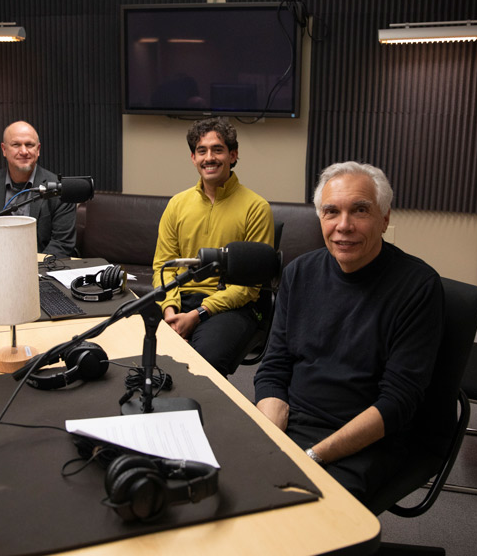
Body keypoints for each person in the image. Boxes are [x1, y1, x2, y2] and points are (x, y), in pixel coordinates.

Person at [254, 161, 444, 508]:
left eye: (360, 211)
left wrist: (310, 456)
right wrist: (272, 438)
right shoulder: (299, 273)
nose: (344, 226)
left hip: (366, 441)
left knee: (292, 524)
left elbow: (396, 403)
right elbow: (273, 369)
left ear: (384, 218)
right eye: (332, 212)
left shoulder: (418, 287)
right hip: (290, 425)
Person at [152, 117, 275, 377]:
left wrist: (197, 314)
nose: (210, 157)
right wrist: (171, 311)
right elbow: (164, 266)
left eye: (217, 149)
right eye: (202, 151)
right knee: (138, 355)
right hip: (180, 301)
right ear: (193, 158)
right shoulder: (177, 204)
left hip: (232, 307)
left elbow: (249, 286)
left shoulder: (256, 208)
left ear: (233, 155)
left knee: (202, 366)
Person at [0, 121, 76, 258]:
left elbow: (62, 244)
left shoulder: (60, 189)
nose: (24, 151)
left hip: (42, 269)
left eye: (29, 145)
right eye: (16, 145)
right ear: (4, 149)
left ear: (38, 150)